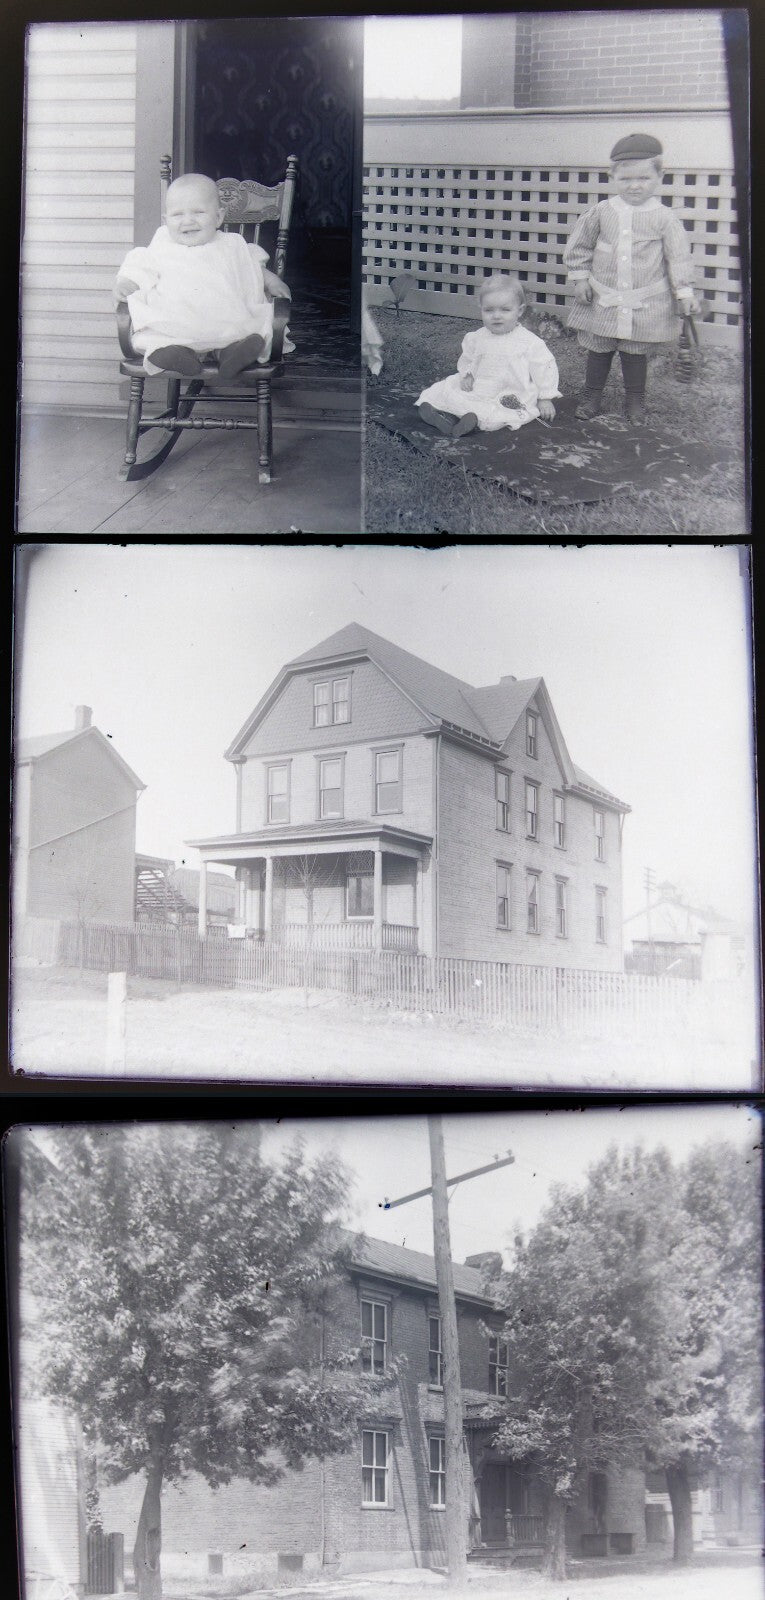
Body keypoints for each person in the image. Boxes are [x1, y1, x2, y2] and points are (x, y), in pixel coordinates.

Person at [563, 133, 699, 424]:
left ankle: (635, 400)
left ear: (659, 176)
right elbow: (581, 246)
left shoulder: (665, 218)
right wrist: (580, 279)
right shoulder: (601, 212)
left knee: (635, 351)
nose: (635, 185)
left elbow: (678, 257)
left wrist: (684, 292)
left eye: (643, 178)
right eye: (626, 179)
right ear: (613, 176)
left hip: (644, 301)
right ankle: (591, 395)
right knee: (599, 348)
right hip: (603, 298)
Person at [114, 172, 291, 377]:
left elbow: (251, 267)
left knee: (246, 333)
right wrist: (125, 282)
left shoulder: (231, 244)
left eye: (198, 212)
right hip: (174, 323)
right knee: (154, 337)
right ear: (166, 220)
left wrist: (271, 280)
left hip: (226, 320)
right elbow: (139, 266)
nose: (188, 221)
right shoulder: (162, 244)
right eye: (177, 215)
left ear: (218, 217)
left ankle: (231, 353)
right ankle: (175, 354)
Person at [415, 274, 560, 437]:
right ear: (481, 309)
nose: (496, 316)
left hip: (510, 391)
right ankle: (444, 417)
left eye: (505, 310)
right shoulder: (477, 337)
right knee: (452, 394)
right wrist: (468, 374)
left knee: (498, 412)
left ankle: (471, 423)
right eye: (489, 310)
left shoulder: (529, 342)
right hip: (481, 385)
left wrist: (545, 397)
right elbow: (469, 358)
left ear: (519, 311)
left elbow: (544, 368)